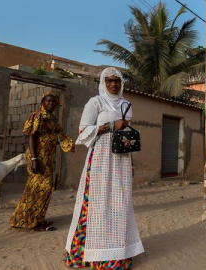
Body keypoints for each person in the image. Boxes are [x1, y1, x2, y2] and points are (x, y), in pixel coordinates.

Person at [64, 67, 144, 269]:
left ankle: (116, 256)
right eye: (109, 81)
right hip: (100, 159)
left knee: (119, 206)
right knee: (95, 205)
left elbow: (126, 136)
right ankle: (86, 253)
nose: (113, 84)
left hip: (121, 160)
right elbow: (82, 133)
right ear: (103, 82)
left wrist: (131, 162)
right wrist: (110, 125)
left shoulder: (126, 105)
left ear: (121, 83)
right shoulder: (95, 102)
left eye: (116, 81)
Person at [10, 91, 74, 231]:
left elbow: (59, 133)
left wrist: (68, 144)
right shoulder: (38, 116)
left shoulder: (52, 118)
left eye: (53, 102)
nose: (50, 104)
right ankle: (30, 222)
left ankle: (36, 219)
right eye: (48, 101)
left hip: (47, 157)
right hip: (38, 157)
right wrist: (34, 159)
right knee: (39, 187)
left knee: (45, 188)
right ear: (43, 101)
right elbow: (31, 137)